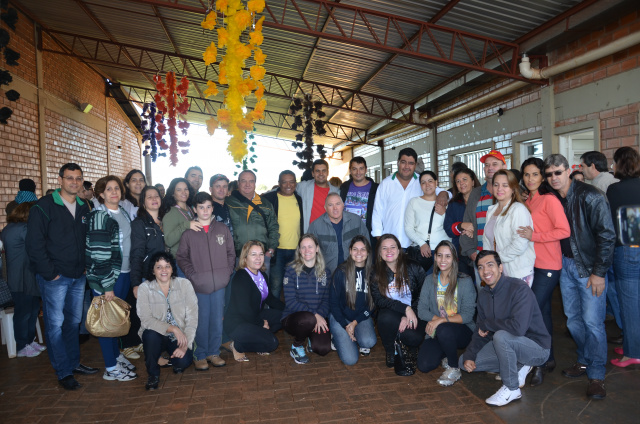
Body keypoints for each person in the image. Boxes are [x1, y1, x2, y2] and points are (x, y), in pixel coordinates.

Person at [544, 153, 615, 400]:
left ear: (568, 171)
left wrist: (598, 273)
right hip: (564, 267)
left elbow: (607, 237)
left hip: (588, 269)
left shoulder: (591, 195)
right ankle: (585, 360)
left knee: (593, 323)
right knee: (573, 320)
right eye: (549, 174)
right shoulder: (554, 198)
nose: (553, 177)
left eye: (558, 172)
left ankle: (596, 376)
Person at [26, 163, 97, 390]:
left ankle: (74, 363)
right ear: (60, 180)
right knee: (55, 325)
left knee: (73, 323)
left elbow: (87, 239)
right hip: (55, 278)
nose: (74, 182)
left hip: (78, 276)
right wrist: (50, 273)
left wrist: (86, 265)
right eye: (69, 178)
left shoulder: (84, 206)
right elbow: (34, 244)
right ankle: (63, 371)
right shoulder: (44, 207)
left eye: (78, 178)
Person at [459, 250, 550, 406]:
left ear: (500, 268)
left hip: (536, 347)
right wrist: (470, 354)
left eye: (490, 265)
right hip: (507, 343)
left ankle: (512, 388)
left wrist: (488, 323)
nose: (485, 271)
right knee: (463, 362)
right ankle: (518, 365)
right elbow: (482, 331)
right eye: (480, 267)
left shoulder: (519, 288)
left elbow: (518, 329)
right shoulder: (483, 295)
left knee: (501, 336)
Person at [517, 157, 570, 386]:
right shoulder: (528, 200)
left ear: (543, 176)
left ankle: (537, 363)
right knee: (543, 314)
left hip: (548, 266)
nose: (530, 179)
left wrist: (534, 236)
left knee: (532, 313)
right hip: (532, 265)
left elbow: (564, 230)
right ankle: (547, 359)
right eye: (526, 175)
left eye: (535, 174)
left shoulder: (549, 200)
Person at [85, 176, 137, 382]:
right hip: (108, 277)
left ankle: (116, 356)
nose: (114, 192)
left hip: (123, 273)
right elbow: (99, 254)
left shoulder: (122, 211)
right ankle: (111, 368)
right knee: (107, 322)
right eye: (109, 189)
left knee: (115, 319)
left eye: (117, 188)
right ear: (100, 194)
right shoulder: (99, 216)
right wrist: (106, 286)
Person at [176, 192, 235, 370]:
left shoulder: (222, 229)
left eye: (208, 206)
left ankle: (213, 352)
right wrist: (192, 275)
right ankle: (199, 354)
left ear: (212, 208)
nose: (205, 210)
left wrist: (226, 273)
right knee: (201, 320)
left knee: (217, 319)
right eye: (201, 207)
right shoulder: (189, 233)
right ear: (195, 209)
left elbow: (231, 253)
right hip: (199, 285)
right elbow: (181, 257)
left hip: (219, 284)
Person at [417, 240, 476, 386]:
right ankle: (446, 350)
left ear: (454, 259)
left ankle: (454, 367)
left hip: (463, 330)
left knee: (444, 329)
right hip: (439, 330)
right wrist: (438, 320)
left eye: (448, 256)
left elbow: (468, 315)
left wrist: (440, 321)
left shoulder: (465, 281)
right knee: (424, 365)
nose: (443, 260)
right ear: (435, 257)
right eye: (440, 255)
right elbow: (421, 310)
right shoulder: (429, 281)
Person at [137, 252, 198, 390]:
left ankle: (169, 358)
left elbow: (192, 318)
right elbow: (146, 320)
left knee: (183, 362)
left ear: (172, 268)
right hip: (157, 334)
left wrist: (186, 344)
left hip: (179, 336)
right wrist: (173, 329)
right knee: (150, 335)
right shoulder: (145, 288)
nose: (164, 270)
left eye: (167, 266)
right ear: (153, 270)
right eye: (159, 267)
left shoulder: (185, 285)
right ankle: (153, 374)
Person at [372, 148, 449, 249]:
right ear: (398, 162)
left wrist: (443, 194)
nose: (407, 167)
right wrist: (380, 239)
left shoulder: (421, 182)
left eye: (411, 163)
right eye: (403, 162)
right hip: (389, 245)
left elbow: (442, 192)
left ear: (415, 165)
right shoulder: (386, 184)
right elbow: (377, 213)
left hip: (414, 245)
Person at [371, 234, 426, 368]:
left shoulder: (414, 267)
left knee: (414, 338)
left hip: (415, 309)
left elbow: (424, 296)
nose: (389, 251)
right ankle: (390, 350)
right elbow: (379, 300)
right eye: (384, 248)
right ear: (379, 252)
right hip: (391, 313)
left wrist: (411, 311)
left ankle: (403, 342)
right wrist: (404, 310)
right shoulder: (375, 272)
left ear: (399, 249)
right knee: (384, 318)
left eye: (392, 247)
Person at [607, 147, 640, 368]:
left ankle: (632, 352)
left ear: (619, 164)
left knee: (629, 304)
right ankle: (632, 343)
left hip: (627, 249)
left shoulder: (614, 190)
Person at [223, 241, 284, 361]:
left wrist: (290, 310)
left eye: (261, 254)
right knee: (272, 343)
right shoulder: (241, 277)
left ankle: (258, 338)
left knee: (283, 317)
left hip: (254, 317)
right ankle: (237, 345)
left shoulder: (262, 275)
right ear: (245, 258)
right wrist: (261, 323)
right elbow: (244, 310)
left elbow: (270, 299)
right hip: (238, 323)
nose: (258, 258)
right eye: (253, 254)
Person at [126, 185, 165, 360]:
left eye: (156, 196)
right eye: (149, 197)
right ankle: (154, 357)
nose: (154, 199)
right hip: (147, 277)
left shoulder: (165, 221)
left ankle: (159, 350)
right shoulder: (140, 223)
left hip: (165, 278)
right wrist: (136, 283)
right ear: (143, 202)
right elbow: (136, 254)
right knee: (150, 318)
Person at [1, 202, 45, 358]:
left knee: (31, 310)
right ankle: (22, 345)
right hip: (23, 277)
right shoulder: (24, 229)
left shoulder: (9, 228)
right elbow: (37, 247)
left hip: (20, 277)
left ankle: (28, 341)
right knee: (25, 313)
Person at [281, 234, 331, 365]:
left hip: (316, 317)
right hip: (293, 319)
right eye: (303, 247)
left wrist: (320, 316)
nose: (306, 250)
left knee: (323, 349)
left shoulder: (326, 272)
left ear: (317, 249)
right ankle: (297, 346)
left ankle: (309, 335)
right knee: (308, 319)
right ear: (299, 250)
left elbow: (326, 300)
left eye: (310, 247)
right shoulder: (290, 271)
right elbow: (291, 302)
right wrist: (314, 316)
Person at [459, 150, 507, 285]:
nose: (490, 167)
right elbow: (466, 225)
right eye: (486, 165)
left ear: (504, 167)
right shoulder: (475, 194)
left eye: (495, 164)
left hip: (507, 260)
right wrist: (471, 252)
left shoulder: (513, 192)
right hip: (481, 260)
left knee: (509, 301)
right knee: (484, 298)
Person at [329, 236, 377, 366]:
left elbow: (372, 305)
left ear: (368, 252)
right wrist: (345, 325)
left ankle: (355, 333)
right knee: (350, 360)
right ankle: (337, 337)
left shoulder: (373, 273)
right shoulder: (341, 271)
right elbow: (333, 304)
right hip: (340, 317)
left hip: (360, 317)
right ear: (350, 251)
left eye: (363, 249)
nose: (359, 253)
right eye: (355, 249)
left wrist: (355, 323)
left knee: (369, 341)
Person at [483, 170, 535, 285]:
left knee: (516, 303)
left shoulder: (518, 209)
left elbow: (519, 244)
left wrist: (494, 260)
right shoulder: (491, 210)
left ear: (513, 189)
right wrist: (488, 262)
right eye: (496, 185)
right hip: (496, 273)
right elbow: (487, 240)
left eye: (505, 185)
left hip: (517, 271)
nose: (499, 189)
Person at [227, 170, 279, 275]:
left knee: (261, 289)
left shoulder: (265, 204)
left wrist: (270, 251)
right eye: (243, 181)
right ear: (238, 183)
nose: (247, 184)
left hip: (261, 258)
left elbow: (274, 228)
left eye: (251, 181)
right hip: (237, 258)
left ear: (255, 183)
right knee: (239, 289)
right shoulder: (229, 202)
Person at [262, 170, 304, 300]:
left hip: (296, 251)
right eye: (284, 182)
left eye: (291, 181)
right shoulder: (270, 199)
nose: (288, 185)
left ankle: (292, 316)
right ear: (279, 183)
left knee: (293, 286)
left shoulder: (299, 199)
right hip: (277, 251)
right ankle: (274, 316)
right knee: (275, 285)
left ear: (295, 183)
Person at [308, 193, 370, 274]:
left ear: (343, 205)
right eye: (330, 205)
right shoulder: (315, 226)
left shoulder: (356, 221)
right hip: (327, 273)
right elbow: (309, 252)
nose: (335, 208)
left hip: (353, 271)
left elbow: (367, 245)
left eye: (338, 204)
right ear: (325, 208)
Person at [404, 171, 451, 273]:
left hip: (443, 251)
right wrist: (422, 244)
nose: (427, 185)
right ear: (420, 185)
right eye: (423, 182)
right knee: (423, 283)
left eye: (430, 181)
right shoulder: (414, 202)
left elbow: (452, 226)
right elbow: (408, 228)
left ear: (436, 183)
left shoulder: (445, 203)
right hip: (423, 252)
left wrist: (444, 213)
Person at [443, 168, 480, 278]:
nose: (461, 183)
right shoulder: (454, 203)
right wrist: (461, 226)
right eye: (458, 181)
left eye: (464, 179)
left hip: (481, 248)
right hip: (460, 252)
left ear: (473, 182)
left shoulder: (482, 199)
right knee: (465, 283)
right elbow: (448, 228)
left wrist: (473, 230)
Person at [339, 156, 379, 244]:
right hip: (347, 236)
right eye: (354, 169)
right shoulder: (344, 187)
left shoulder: (376, 189)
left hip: (368, 236)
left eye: (361, 169)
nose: (358, 172)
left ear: (366, 170)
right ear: (350, 170)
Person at [161, 178, 198, 265]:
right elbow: (168, 241)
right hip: (179, 261)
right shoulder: (171, 212)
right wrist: (185, 225)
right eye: (179, 190)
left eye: (186, 189)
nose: (183, 192)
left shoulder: (190, 209)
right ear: (173, 193)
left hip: (192, 259)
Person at [296, 159, 340, 232]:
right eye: (317, 171)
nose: (321, 174)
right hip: (310, 232)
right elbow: (286, 187)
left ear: (328, 172)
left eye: (324, 170)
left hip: (329, 233)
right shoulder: (304, 187)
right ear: (312, 173)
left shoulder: (336, 192)